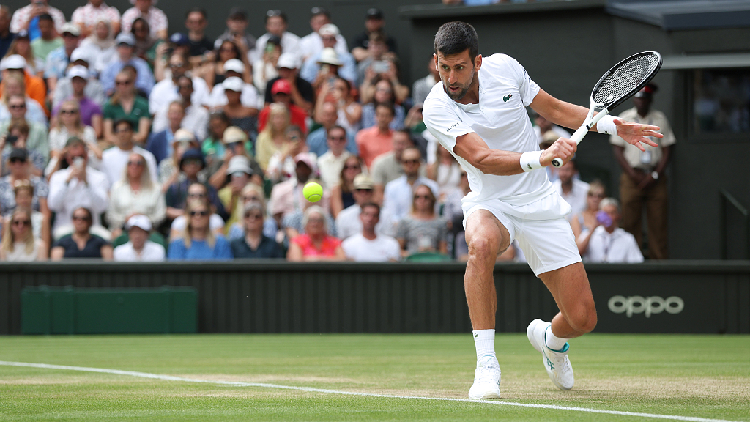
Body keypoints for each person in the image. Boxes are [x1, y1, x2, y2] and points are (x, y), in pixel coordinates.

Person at [421, 22, 661, 398]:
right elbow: (481, 158)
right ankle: (487, 367)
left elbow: (556, 109)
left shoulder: (505, 68)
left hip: (538, 203)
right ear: (436, 62)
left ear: (478, 62)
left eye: (460, 67)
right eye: (444, 67)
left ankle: (550, 339)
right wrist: (543, 157)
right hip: (490, 202)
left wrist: (615, 126)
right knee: (481, 245)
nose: (451, 77)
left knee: (583, 318)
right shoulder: (435, 106)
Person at [611, 83, 675, 260]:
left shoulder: (660, 118)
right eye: (639, 97)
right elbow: (617, 148)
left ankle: (659, 262)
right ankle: (633, 262)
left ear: (651, 99)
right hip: (632, 176)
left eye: (645, 98)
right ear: (634, 98)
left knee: (658, 222)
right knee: (630, 221)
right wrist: (632, 173)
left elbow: (668, 148)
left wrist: (655, 175)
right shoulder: (625, 118)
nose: (641, 101)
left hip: (655, 176)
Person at [47, 137, 109, 239]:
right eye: (73, 158)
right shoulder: (58, 177)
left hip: (93, 228)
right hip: (65, 228)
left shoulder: (99, 177)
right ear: (68, 158)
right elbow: (54, 205)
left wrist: (87, 183)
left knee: (105, 237)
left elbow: (101, 207)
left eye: (81, 157)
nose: (78, 160)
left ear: (87, 156)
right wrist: (67, 182)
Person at [107, 151, 165, 238]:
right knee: (116, 236)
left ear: (144, 167)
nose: (134, 166)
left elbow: (161, 214)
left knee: (156, 238)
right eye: (130, 163)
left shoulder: (156, 188)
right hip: (123, 229)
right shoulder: (117, 187)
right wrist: (125, 219)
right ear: (126, 166)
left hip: (148, 230)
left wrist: (144, 218)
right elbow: (111, 215)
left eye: (138, 163)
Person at [381, 147, 438, 231]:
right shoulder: (392, 187)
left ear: (420, 163)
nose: (410, 164)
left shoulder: (432, 186)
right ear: (402, 164)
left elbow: (434, 213)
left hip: (426, 230)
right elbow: (391, 216)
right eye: (406, 162)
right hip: (400, 232)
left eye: (414, 161)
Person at [578, 198, 644, 263]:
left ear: (618, 216)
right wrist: (593, 228)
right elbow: (577, 254)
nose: (608, 217)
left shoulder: (627, 238)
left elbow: (637, 262)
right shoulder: (589, 234)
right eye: (605, 213)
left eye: (612, 213)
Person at [47, 98, 102, 171]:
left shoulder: (88, 131)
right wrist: (71, 150)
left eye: (72, 112)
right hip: (63, 167)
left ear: (78, 114)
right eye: (64, 112)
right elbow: (54, 155)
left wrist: (83, 142)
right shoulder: (55, 133)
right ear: (60, 115)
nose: (68, 115)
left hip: (87, 165)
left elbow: (99, 155)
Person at [167, 199, 233, 260]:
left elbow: (224, 270)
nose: (198, 216)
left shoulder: (221, 242)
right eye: (193, 213)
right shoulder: (177, 244)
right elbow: (175, 270)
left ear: (209, 215)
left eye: (202, 213)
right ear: (187, 216)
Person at [395, 184, 449, 258]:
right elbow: (398, 251)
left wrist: (432, 252)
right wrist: (415, 254)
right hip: (411, 264)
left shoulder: (441, 222)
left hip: (434, 263)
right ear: (414, 200)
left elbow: (444, 252)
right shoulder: (405, 222)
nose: (422, 200)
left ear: (431, 199)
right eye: (418, 197)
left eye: (426, 197)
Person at [50, 55, 106, 125]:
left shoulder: (93, 106)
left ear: (85, 83)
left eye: (80, 81)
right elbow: (54, 126)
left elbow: (97, 131)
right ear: (71, 83)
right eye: (75, 81)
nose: (77, 84)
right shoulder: (61, 106)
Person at [102, 118, 158, 188]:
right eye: (118, 131)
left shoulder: (146, 156)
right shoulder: (106, 157)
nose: (122, 134)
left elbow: (153, 181)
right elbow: (105, 184)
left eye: (125, 130)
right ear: (115, 134)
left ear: (132, 133)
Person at [151, 76, 208, 140]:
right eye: (181, 88)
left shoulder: (202, 113)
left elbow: (201, 138)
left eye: (187, 87)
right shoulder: (165, 110)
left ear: (193, 89)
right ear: (177, 90)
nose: (184, 90)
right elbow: (157, 133)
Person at [0, 147, 48, 216]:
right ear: (8, 163)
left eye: (21, 161)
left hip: (34, 222)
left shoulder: (40, 183)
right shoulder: (1, 185)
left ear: (28, 163)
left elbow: (45, 213)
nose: (17, 165)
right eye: (13, 161)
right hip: (6, 223)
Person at [371, 129, 414, 204]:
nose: (399, 147)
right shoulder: (380, 163)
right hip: (388, 206)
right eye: (397, 143)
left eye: (403, 143)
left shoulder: (417, 163)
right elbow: (378, 194)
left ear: (410, 143)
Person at [335, 174, 380, 240]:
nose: (363, 194)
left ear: (373, 192)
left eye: (367, 190)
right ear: (354, 193)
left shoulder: (385, 215)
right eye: (359, 190)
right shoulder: (344, 216)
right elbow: (341, 242)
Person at [356, 103, 397, 169]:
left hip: (391, 174)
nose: (382, 119)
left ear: (392, 118)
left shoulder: (397, 137)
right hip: (370, 174)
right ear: (375, 116)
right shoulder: (363, 135)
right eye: (380, 115)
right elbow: (360, 159)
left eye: (386, 116)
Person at [43, 22, 81, 94]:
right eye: (65, 35)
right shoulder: (53, 56)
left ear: (78, 38)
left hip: (80, 93)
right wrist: (57, 95)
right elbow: (52, 81)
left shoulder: (85, 56)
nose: (68, 39)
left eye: (72, 36)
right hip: (60, 92)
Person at [329, 154, 365, 219]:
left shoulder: (366, 188)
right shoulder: (337, 189)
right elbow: (338, 216)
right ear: (343, 170)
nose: (350, 170)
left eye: (354, 167)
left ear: (360, 169)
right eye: (347, 167)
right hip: (344, 222)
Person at [317, 125, 351, 190]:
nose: (337, 142)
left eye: (341, 138)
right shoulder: (320, 162)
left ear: (346, 140)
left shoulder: (354, 162)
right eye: (333, 138)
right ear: (327, 140)